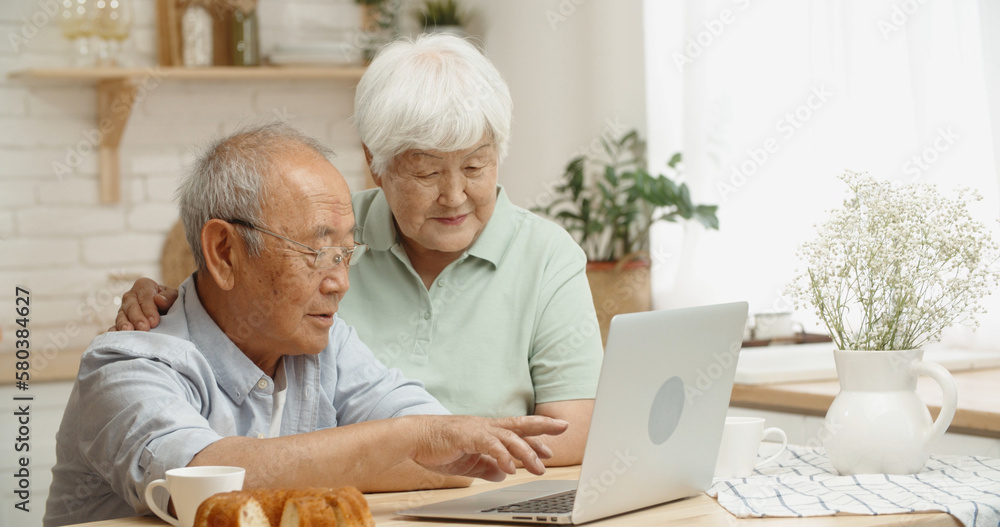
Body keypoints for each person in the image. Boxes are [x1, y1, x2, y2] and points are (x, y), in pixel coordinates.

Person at [44, 123, 567, 527]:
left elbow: (447, 461)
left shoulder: (323, 344)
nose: (339, 282)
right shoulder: (126, 366)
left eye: (346, 253)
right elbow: (208, 480)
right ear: (225, 252)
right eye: (316, 252)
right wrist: (409, 440)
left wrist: (421, 440)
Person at [115, 34, 604, 466]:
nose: (454, 196)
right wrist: (168, 308)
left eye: (475, 168)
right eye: (427, 173)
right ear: (376, 161)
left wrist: (443, 447)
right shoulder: (323, 233)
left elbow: (568, 430)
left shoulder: (546, 255)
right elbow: (227, 286)